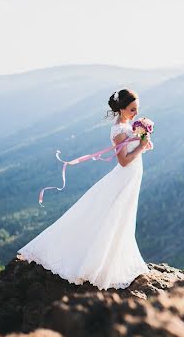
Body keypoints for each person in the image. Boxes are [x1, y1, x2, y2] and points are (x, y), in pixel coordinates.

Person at [17, 88, 154, 289]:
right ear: (122, 109)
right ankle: (99, 262)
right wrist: (141, 146)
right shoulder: (118, 130)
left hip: (132, 177)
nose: (136, 114)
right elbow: (123, 161)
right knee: (113, 216)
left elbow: (130, 152)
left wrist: (141, 143)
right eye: (132, 109)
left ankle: (116, 258)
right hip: (125, 177)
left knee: (122, 217)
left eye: (137, 110)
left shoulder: (127, 125)